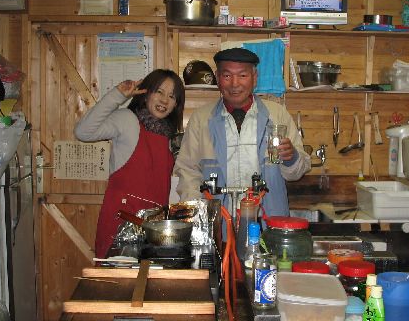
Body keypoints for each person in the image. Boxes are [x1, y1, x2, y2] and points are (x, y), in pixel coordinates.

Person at [174, 47, 311, 236]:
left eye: (243, 75)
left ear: (255, 78)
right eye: (227, 76)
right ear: (217, 78)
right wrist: (200, 220)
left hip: (270, 227)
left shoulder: (277, 115)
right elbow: (187, 172)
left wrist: (291, 158)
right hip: (218, 228)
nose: (235, 84)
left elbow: (297, 172)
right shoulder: (201, 119)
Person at [74, 69, 185, 258]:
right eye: (159, 92)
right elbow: (83, 132)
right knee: (118, 276)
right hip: (121, 225)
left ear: (176, 104)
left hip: (154, 228)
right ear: (146, 93)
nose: (164, 100)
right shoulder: (128, 120)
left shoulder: (170, 137)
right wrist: (117, 96)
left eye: (172, 96)